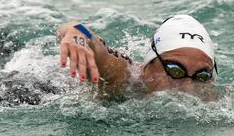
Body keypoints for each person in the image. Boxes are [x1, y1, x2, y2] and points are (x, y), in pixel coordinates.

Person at [56, 15, 218, 99]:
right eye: (175, 70)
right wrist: (76, 33)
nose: (187, 87)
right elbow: (79, 32)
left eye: (202, 76)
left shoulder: (210, 99)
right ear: (147, 65)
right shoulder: (121, 75)